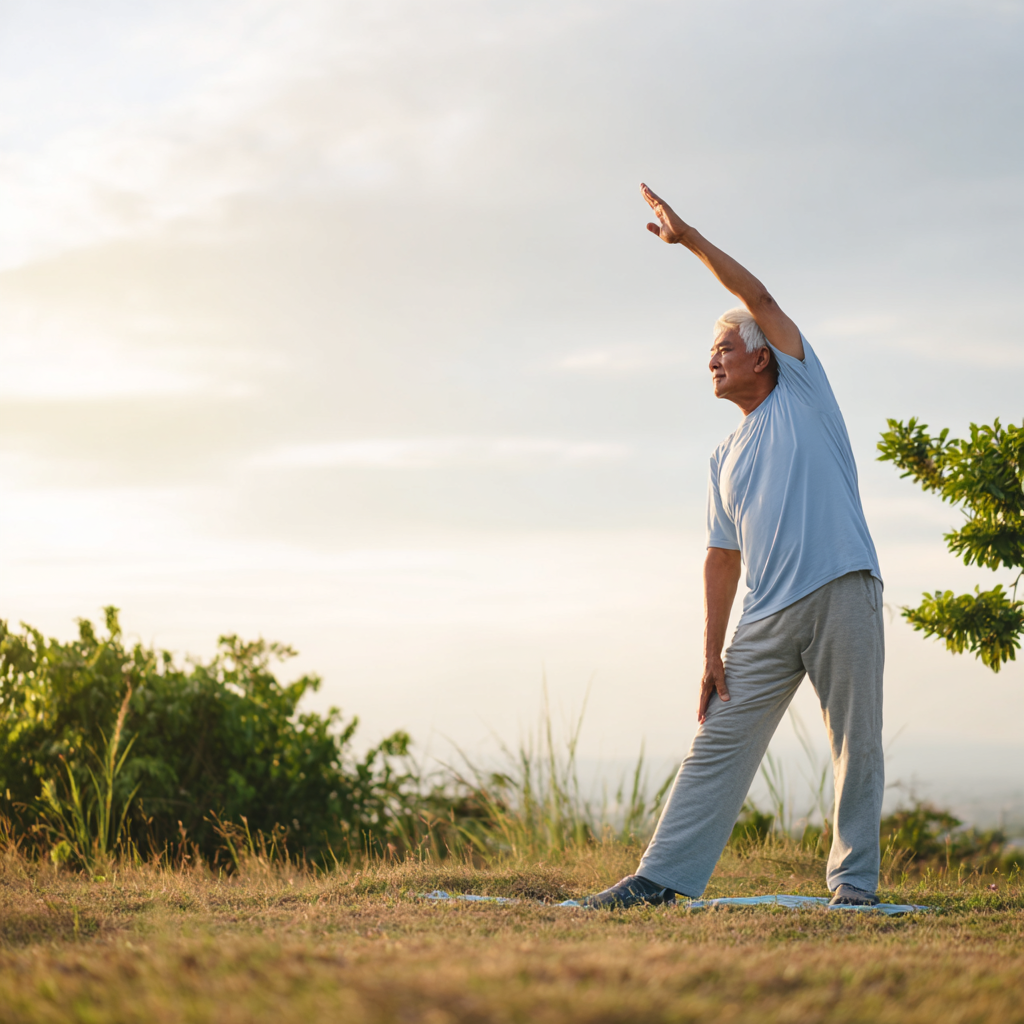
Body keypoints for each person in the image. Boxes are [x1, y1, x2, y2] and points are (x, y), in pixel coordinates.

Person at [584, 185, 885, 909]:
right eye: (709, 353)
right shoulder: (723, 456)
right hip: (764, 617)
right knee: (715, 743)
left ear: (763, 358)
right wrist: (711, 653)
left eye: (722, 349)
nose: (711, 362)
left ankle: (854, 887)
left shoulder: (804, 391)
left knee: (855, 744)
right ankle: (661, 879)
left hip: (841, 585)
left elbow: (761, 294)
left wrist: (688, 240)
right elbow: (722, 559)